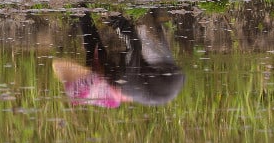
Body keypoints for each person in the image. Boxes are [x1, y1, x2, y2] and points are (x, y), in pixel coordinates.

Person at [52, 11, 185, 108]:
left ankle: (152, 9)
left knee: (103, 54)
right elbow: (134, 44)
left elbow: (93, 46)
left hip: (164, 81)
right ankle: (153, 8)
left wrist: (83, 11)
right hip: (166, 71)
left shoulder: (126, 85)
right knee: (142, 26)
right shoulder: (127, 83)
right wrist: (116, 20)